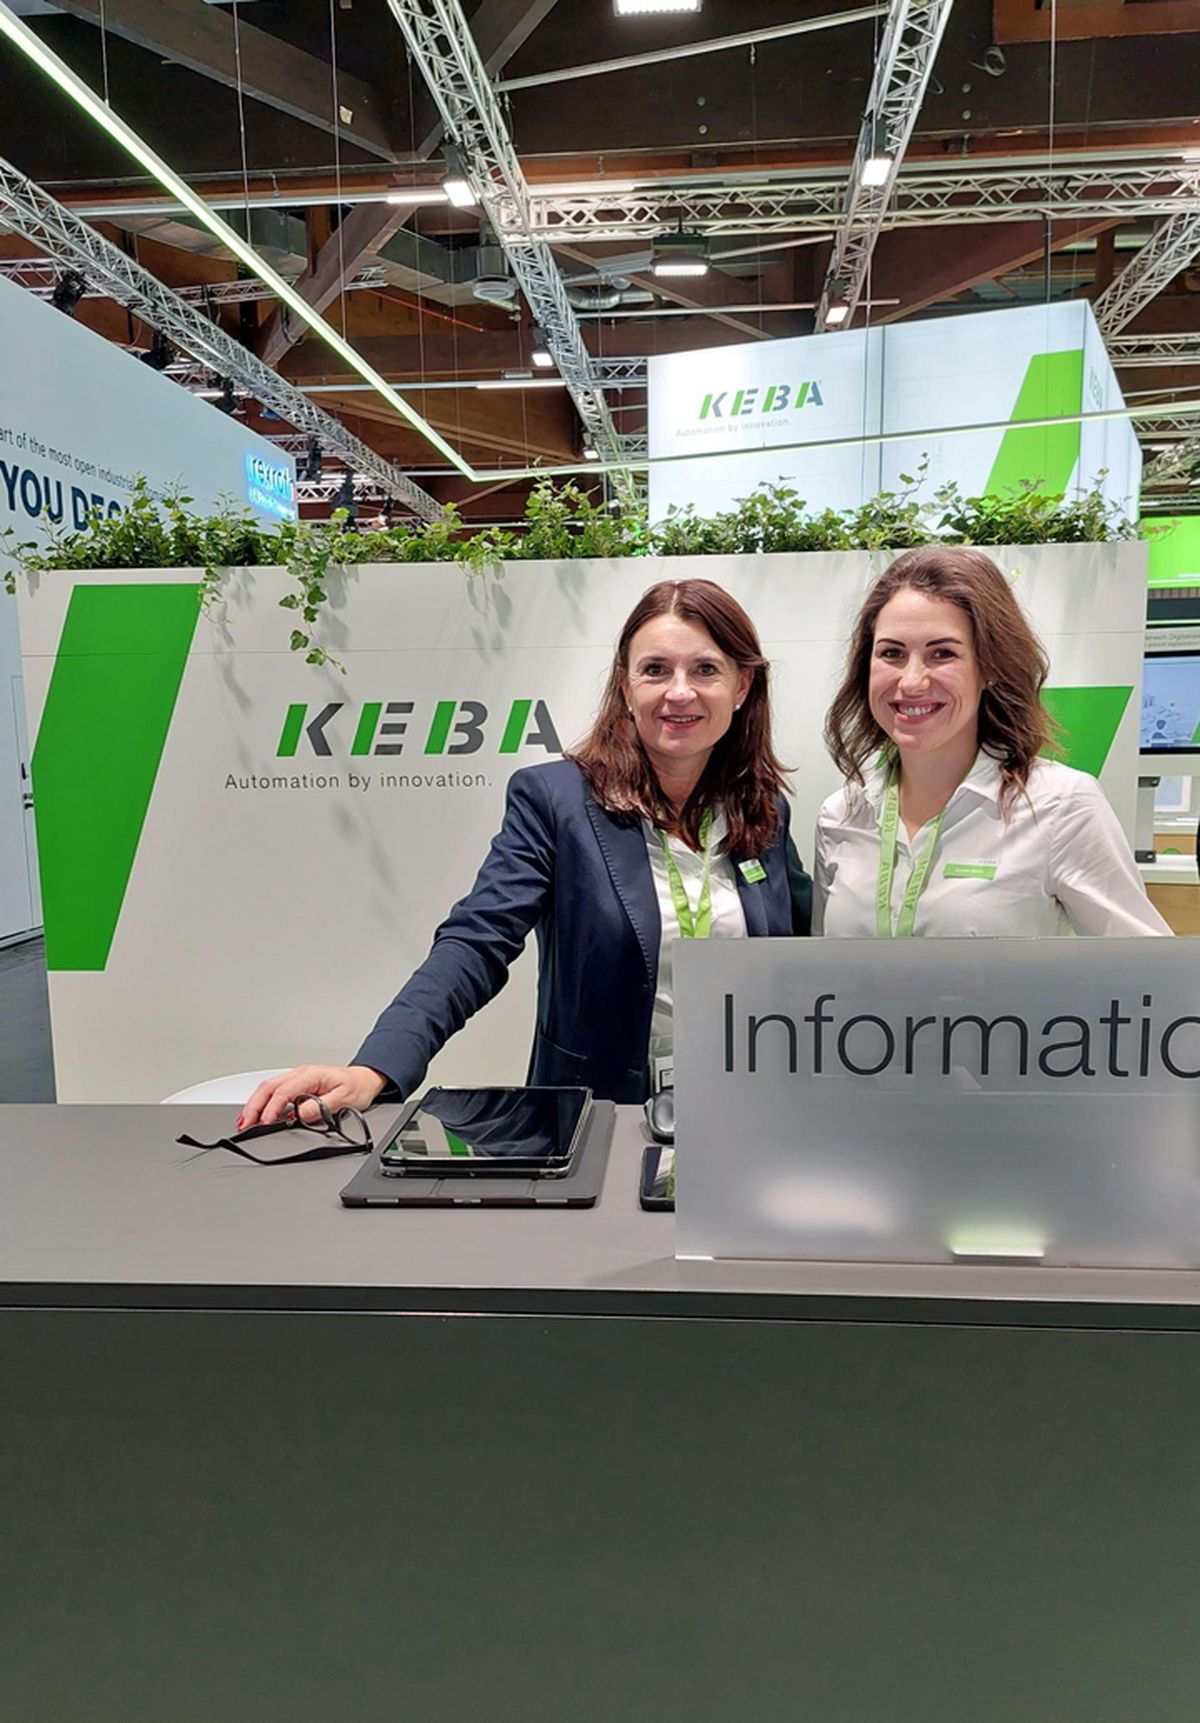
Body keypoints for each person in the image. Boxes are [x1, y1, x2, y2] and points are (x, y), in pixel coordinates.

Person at [241, 578, 812, 1124]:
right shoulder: (556, 801)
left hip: (744, 1108)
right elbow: (477, 938)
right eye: (655, 670)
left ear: (741, 687)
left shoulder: (764, 811)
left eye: (706, 669)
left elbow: (808, 950)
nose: (679, 691)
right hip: (602, 1116)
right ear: (626, 684)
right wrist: (376, 1066)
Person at [814, 545, 1170, 939]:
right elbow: (818, 978)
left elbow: (1145, 977)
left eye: (942, 653)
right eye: (892, 653)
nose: (911, 681)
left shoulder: (1061, 806)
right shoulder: (842, 814)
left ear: (990, 667)